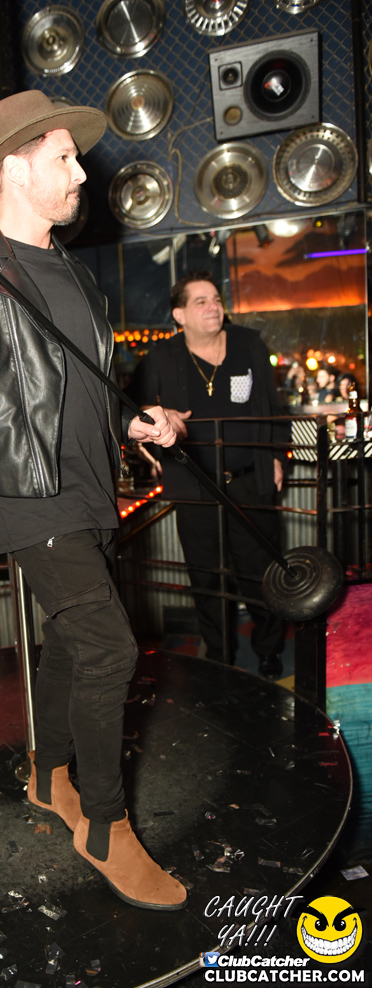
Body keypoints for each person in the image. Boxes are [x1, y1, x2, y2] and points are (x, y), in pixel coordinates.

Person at [0, 90, 187, 912]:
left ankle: (49, 776)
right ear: (13, 169)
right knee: (109, 648)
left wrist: (133, 419)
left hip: (91, 489)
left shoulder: (74, 272)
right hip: (28, 493)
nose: (80, 172)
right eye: (63, 157)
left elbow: (80, 382)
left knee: (70, 645)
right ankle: (104, 826)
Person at [127, 271, 286, 681]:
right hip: (194, 486)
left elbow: (273, 406)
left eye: (216, 298)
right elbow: (129, 407)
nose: (214, 307)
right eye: (201, 301)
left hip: (250, 480)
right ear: (179, 314)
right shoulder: (162, 357)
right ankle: (220, 657)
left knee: (260, 572)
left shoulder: (249, 344)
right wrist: (150, 439)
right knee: (207, 577)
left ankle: (269, 650)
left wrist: (276, 457)